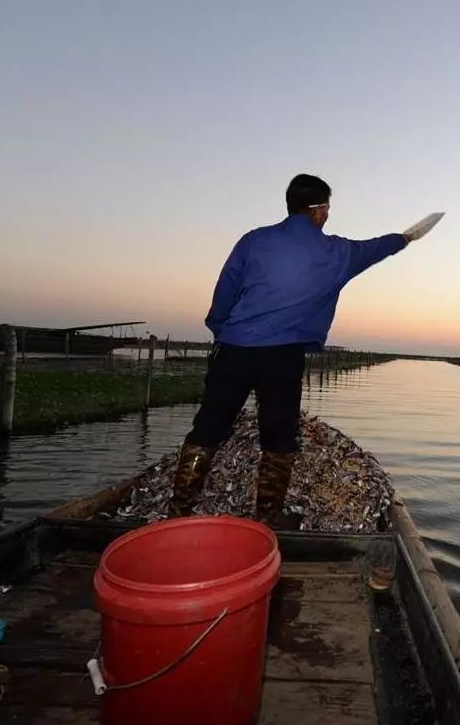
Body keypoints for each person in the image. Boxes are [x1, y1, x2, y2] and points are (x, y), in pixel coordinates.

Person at [169, 173, 420, 526]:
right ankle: (267, 520)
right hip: (282, 357)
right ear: (318, 211)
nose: (328, 214)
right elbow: (376, 247)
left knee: (207, 429)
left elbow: (226, 288)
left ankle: (178, 511)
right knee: (279, 438)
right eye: (328, 208)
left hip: (235, 349)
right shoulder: (337, 253)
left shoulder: (254, 240)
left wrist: (219, 327)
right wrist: (404, 238)